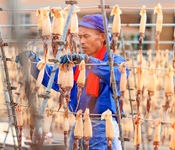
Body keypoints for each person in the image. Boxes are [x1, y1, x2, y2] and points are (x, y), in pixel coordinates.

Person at [17, 14, 129, 150]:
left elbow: (115, 75)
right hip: (78, 127)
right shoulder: (77, 65)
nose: (81, 41)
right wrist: (34, 63)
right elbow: (55, 78)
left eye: (86, 36)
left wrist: (88, 61)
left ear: (102, 37)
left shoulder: (116, 62)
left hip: (104, 133)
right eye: (80, 37)